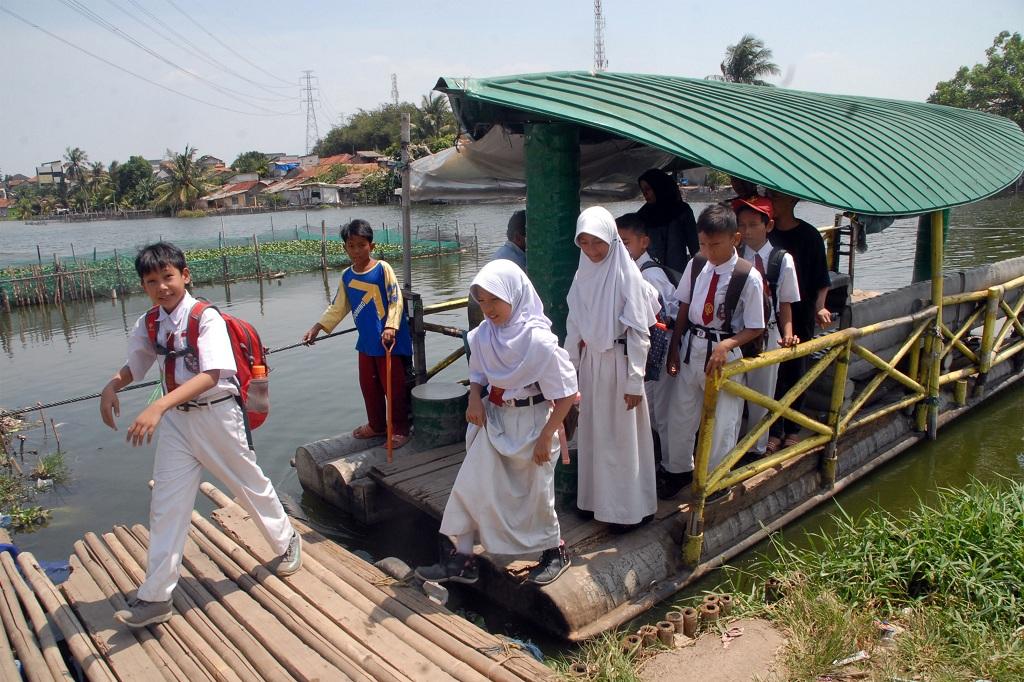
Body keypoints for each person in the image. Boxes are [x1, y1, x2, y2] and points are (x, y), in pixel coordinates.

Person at [99, 242, 300, 628]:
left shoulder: (206, 318)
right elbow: (135, 365)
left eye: (168, 277)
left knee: (248, 486)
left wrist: (156, 406)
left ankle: (287, 539)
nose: (162, 287)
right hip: (178, 423)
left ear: (185, 275)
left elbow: (213, 374)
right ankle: (156, 597)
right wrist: (112, 385)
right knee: (166, 505)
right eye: (152, 281)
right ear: (143, 285)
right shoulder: (150, 323)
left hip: (217, 416)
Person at [414, 260, 578, 585]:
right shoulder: (484, 337)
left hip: (533, 422)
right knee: (470, 485)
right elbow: (477, 373)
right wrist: (475, 397)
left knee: (536, 495)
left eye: (495, 300)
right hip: (495, 418)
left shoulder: (539, 342)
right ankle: (462, 560)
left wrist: (547, 435)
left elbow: (566, 393)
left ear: (514, 295)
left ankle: (554, 552)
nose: (488, 309)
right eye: (482, 301)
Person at [663, 203, 766, 501]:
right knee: (681, 413)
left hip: (724, 350)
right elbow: (683, 305)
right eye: (703, 243)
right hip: (693, 346)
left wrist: (727, 344)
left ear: (735, 238)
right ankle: (677, 470)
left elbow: (756, 326)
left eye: (715, 244)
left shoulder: (748, 276)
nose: (709, 250)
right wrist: (674, 348)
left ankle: (716, 478)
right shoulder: (697, 265)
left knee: (724, 419)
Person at [567, 206, 658, 532]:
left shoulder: (625, 274)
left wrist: (635, 381)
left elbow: (639, 332)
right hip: (593, 365)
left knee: (621, 440)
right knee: (595, 436)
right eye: (585, 243)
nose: (591, 250)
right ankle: (594, 502)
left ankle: (628, 509)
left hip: (620, 365)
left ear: (610, 239)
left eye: (598, 242)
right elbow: (574, 327)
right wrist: (569, 372)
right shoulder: (582, 276)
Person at [302, 219, 412, 449]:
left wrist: (391, 326)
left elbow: (395, 298)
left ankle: (400, 428)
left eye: (361, 245)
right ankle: (377, 425)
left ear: (371, 246)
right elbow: (338, 306)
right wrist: (316, 327)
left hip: (388, 341)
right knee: (369, 386)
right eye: (351, 246)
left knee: (394, 386)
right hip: (366, 343)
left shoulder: (383, 269)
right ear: (345, 248)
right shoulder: (347, 276)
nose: (356, 251)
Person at [765, 190, 832, 452]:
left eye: (777, 198)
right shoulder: (768, 235)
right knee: (773, 371)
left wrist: (820, 306)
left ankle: (792, 426)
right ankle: (773, 429)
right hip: (772, 310)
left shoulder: (809, 235)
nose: (773, 202)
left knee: (796, 368)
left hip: (801, 309)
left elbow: (821, 278)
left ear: (792, 201)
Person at [735, 197, 801, 457]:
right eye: (742, 225)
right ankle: (729, 447)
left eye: (753, 224)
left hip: (768, 330)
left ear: (769, 225)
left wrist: (787, 335)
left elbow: (785, 304)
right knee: (733, 394)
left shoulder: (781, 260)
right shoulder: (734, 256)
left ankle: (756, 448)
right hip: (738, 332)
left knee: (763, 394)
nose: (747, 231)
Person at [616, 213, 677, 466]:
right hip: (651, 352)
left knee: (659, 411)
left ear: (644, 242)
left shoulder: (648, 276)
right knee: (653, 410)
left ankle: (667, 463)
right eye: (618, 243)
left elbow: (664, 318)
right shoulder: (632, 272)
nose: (622, 249)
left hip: (658, 352)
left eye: (626, 242)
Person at [636, 168, 699, 273]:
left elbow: (695, 247)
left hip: (678, 276)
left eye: (648, 189)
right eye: (643, 191)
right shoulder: (642, 215)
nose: (645, 194)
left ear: (659, 186)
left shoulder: (682, 211)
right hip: (652, 275)